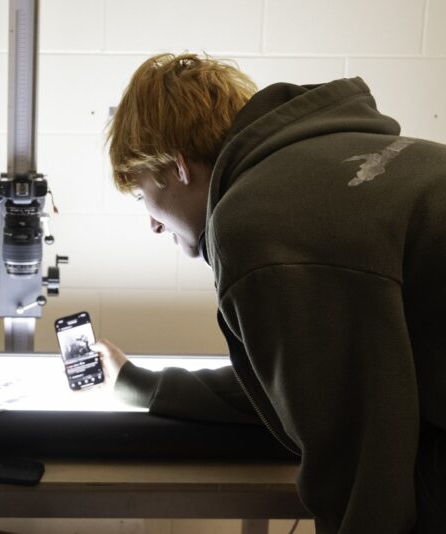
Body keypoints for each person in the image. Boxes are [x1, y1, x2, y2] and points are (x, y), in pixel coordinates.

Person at [95, 52, 446, 533]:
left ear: (177, 166)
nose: (153, 224)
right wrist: (141, 385)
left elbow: (361, 467)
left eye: (142, 196)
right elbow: (298, 379)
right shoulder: (331, 166)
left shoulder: (257, 226)